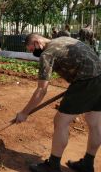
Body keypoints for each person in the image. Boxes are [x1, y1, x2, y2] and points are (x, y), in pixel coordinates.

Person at [15, 33, 101, 172]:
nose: (32, 53)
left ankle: (53, 166)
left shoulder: (47, 54)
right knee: (94, 122)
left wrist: (24, 113)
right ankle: (87, 164)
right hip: (99, 77)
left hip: (85, 82)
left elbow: (41, 90)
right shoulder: (62, 39)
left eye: (31, 49)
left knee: (61, 122)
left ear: (37, 42)